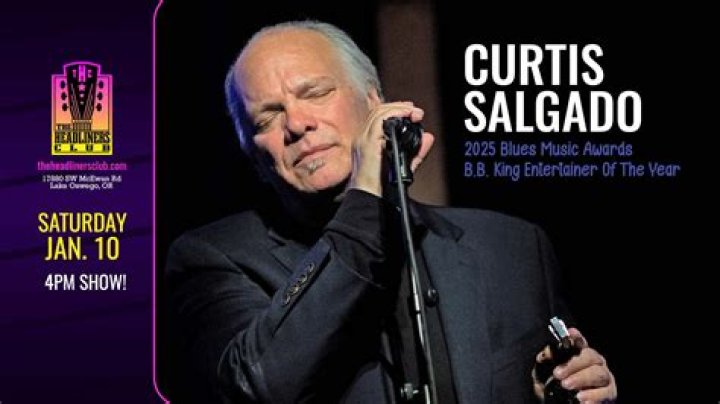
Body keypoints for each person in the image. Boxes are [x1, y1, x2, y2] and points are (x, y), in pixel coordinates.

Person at [165, 20, 617, 403]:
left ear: (374, 100)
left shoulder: (513, 246)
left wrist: (566, 391)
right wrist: (365, 197)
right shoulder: (213, 258)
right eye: (267, 119)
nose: (297, 124)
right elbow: (259, 387)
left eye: (316, 92)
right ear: (253, 156)